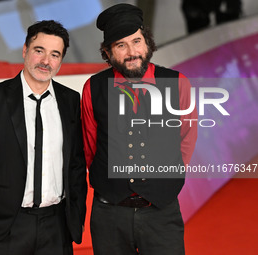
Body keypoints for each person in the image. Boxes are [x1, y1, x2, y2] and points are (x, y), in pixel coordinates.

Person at [81, 3, 197, 255]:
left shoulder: (177, 84)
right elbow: (90, 144)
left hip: (161, 213)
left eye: (136, 41)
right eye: (121, 45)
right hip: (109, 214)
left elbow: (186, 139)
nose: (132, 51)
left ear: (148, 43)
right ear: (108, 52)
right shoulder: (93, 87)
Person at [0, 20, 87, 255]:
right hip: (8, 224)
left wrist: (76, 215)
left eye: (54, 54)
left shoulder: (70, 100)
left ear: (61, 60)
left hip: (57, 224)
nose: (45, 61)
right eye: (39, 51)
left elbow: (76, 164)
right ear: (25, 50)